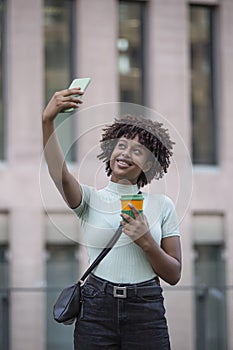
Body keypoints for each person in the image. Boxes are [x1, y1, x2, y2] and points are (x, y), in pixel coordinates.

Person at [42, 86, 182, 350]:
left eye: (138, 150)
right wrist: (47, 121)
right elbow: (60, 175)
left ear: (149, 163)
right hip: (96, 309)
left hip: (146, 311)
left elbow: (174, 274)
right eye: (121, 145)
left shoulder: (163, 205)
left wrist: (147, 242)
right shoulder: (89, 199)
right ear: (111, 152)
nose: (126, 153)